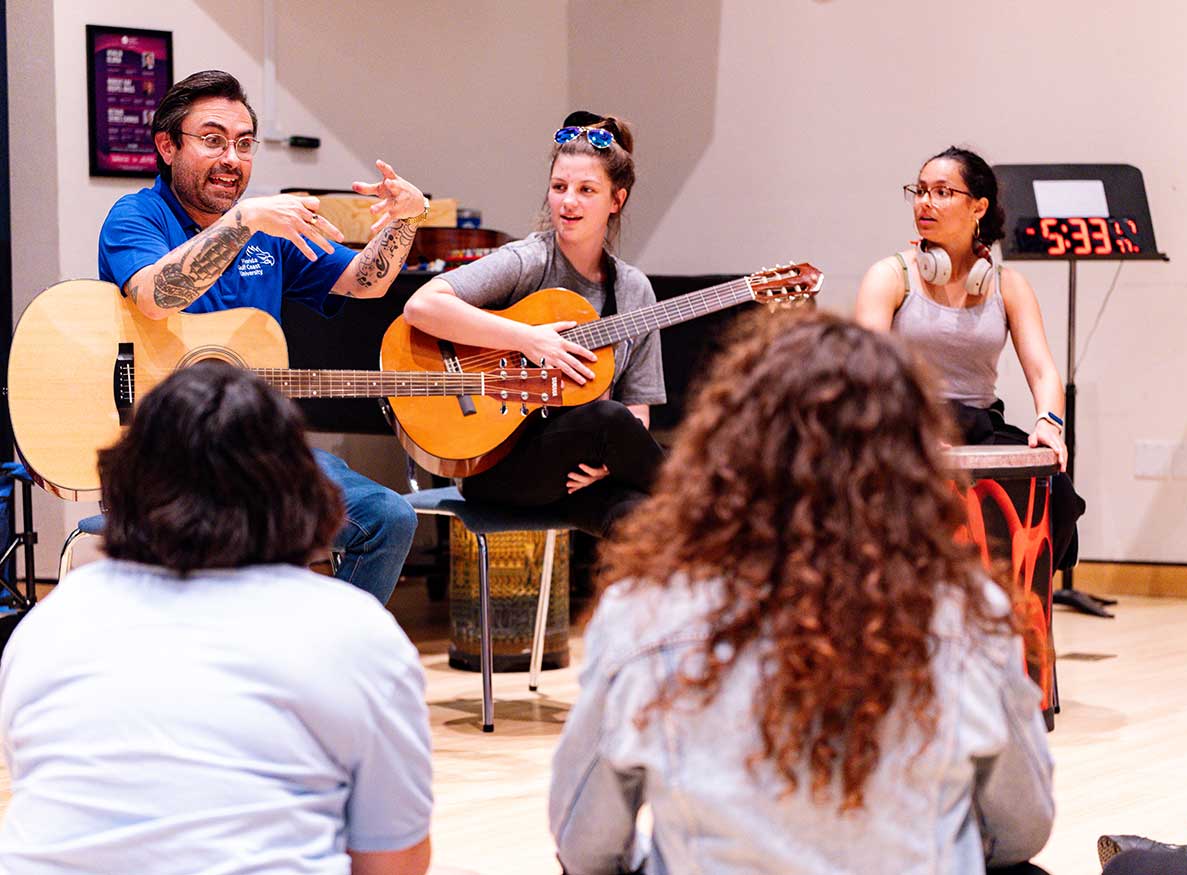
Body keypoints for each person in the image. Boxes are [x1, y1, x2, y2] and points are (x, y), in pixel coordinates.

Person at [548, 312, 1055, 875]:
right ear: (911, 464)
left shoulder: (644, 612)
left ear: (730, 450)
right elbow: (1022, 828)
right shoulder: (968, 612)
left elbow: (585, 845)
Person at [0, 361, 432, 875]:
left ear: (125, 480)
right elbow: (393, 860)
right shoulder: (357, 632)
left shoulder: (50, 624)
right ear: (299, 485)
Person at [97, 69, 423, 606]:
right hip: (161, 451)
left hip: (253, 449)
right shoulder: (137, 216)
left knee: (389, 517)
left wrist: (406, 220)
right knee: (250, 531)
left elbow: (366, 281)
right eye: (213, 140)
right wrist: (244, 222)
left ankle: (321, 654)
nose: (232, 158)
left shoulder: (267, 231)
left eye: (244, 144)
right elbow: (157, 294)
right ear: (167, 146)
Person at [403, 111, 665, 538]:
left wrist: (609, 465)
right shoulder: (528, 260)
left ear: (616, 201)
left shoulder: (634, 290)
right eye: (559, 187)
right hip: (496, 466)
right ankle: (715, 515)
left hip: (578, 471)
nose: (568, 201)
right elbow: (422, 306)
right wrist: (528, 338)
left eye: (586, 190)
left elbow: (637, 410)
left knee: (644, 521)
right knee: (608, 418)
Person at [855, 146, 1084, 572]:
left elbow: (1042, 370)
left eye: (942, 192)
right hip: (903, 421)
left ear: (978, 206)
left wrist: (1049, 424)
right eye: (920, 191)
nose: (925, 202)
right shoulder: (890, 276)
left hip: (979, 425)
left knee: (1059, 494)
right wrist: (914, 429)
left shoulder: (1008, 285)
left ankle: (1010, 601)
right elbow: (869, 374)